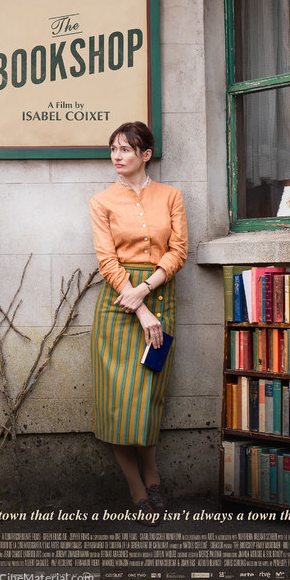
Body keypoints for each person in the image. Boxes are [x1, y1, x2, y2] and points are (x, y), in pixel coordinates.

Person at [89, 121, 188, 525]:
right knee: (117, 403)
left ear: (145, 154)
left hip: (159, 294)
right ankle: (136, 487)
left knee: (146, 399)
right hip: (118, 306)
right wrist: (138, 304)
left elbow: (179, 250)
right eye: (113, 149)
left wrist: (146, 289)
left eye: (126, 150)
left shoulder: (171, 196)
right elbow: (107, 260)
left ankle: (153, 475)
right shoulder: (101, 201)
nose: (117, 156)